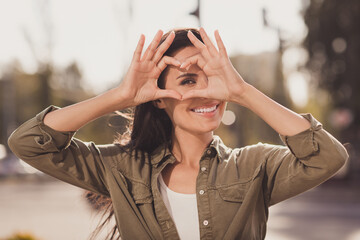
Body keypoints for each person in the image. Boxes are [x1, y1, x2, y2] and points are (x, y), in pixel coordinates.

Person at [8, 28, 348, 240]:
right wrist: (119, 96)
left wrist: (242, 90)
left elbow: (328, 157)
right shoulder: (123, 168)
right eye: (188, 81)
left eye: (211, 79)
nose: (206, 93)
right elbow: (29, 143)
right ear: (157, 99)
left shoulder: (254, 166)